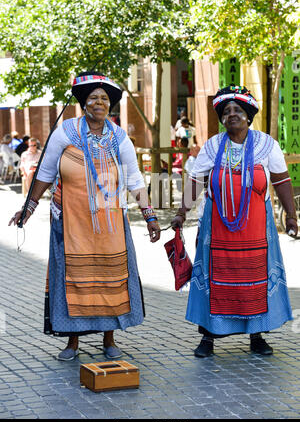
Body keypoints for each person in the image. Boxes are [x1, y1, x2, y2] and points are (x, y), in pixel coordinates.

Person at [9, 71, 161, 361]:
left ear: (109, 105)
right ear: (83, 103)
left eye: (104, 98)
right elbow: (45, 173)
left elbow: (134, 179)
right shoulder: (66, 132)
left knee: (110, 278)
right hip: (70, 222)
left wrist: (150, 215)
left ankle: (109, 339)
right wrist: (29, 207)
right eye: (93, 98)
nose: (99, 102)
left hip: (111, 224)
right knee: (73, 278)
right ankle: (72, 342)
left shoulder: (118, 137)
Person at [171, 85, 298, 358]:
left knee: (256, 281)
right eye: (226, 111)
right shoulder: (213, 145)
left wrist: (291, 214)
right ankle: (208, 339)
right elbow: (195, 181)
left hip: (257, 234)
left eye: (238, 110)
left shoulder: (267, 145)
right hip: (216, 232)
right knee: (214, 281)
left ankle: (257, 336)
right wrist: (182, 212)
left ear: (249, 116)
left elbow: (282, 180)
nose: (232, 115)